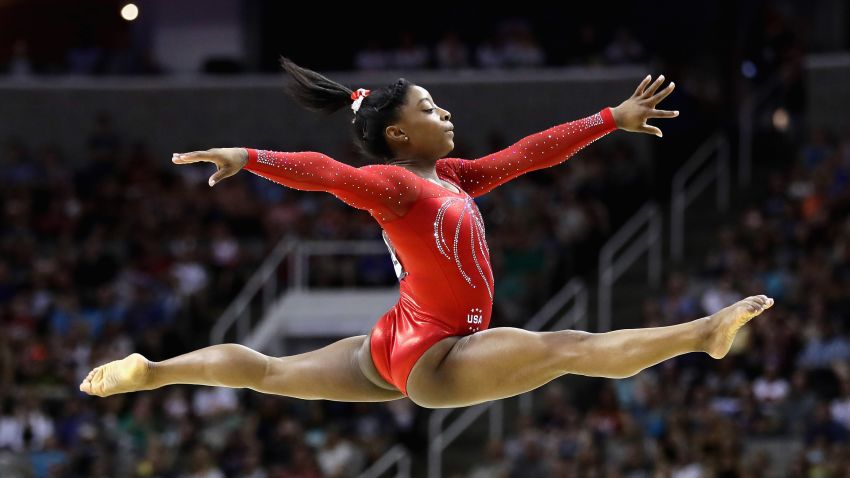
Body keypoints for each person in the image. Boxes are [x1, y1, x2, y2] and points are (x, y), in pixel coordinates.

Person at [80, 57, 774, 409]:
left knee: (267, 372)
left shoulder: (455, 178)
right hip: (437, 356)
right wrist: (250, 157)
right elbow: (324, 170)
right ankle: (700, 335)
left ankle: (154, 371)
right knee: (568, 347)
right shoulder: (396, 184)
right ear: (396, 134)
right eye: (431, 108)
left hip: (397, 341)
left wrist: (605, 119)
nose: (447, 114)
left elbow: (531, 153)